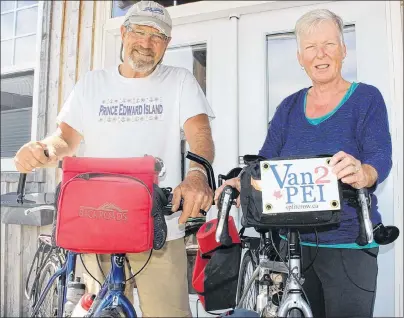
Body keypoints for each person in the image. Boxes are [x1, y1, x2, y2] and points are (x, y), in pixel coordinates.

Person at [14, 1, 215, 316]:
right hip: (99, 224)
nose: (146, 43)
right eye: (139, 32)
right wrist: (44, 149)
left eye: (157, 36)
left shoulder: (180, 81)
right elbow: (65, 139)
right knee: (106, 311)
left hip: (158, 227)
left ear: (167, 44)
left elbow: (200, 135)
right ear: (123, 32)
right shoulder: (93, 83)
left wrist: (197, 176)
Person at [215, 9, 392, 318]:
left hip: (347, 243)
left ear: (343, 50)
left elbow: (380, 156)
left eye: (329, 45)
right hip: (292, 243)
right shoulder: (288, 107)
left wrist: (364, 172)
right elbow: (265, 160)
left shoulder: (366, 99)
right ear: (300, 56)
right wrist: (240, 181)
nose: (320, 55)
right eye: (310, 47)